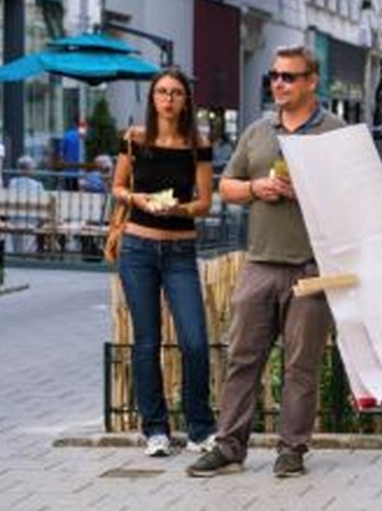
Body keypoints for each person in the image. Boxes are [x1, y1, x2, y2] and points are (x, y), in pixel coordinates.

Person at [187, 45, 344, 479]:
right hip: (259, 264)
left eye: (288, 77)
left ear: (311, 81)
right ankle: (229, 447)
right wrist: (257, 188)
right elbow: (227, 186)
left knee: (300, 366)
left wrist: (307, 193)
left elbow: (354, 198)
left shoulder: (336, 132)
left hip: (311, 268)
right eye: (274, 76)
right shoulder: (258, 130)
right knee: (242, 359)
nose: (278, 83)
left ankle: (291, 451)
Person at [112, 67, 219, 458]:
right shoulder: (135, 139)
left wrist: (180, 208)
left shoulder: (198, 144)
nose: (169, 99)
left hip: (180, 251)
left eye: (176, 92)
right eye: (162, 92)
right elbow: (118, 186)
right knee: (146, 342)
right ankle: (155, 429)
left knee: (194, 341)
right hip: (138, 250)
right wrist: (137, 200)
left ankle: (199, 428)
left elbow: (205, 202)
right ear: (152, 98)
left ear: (186, 100)